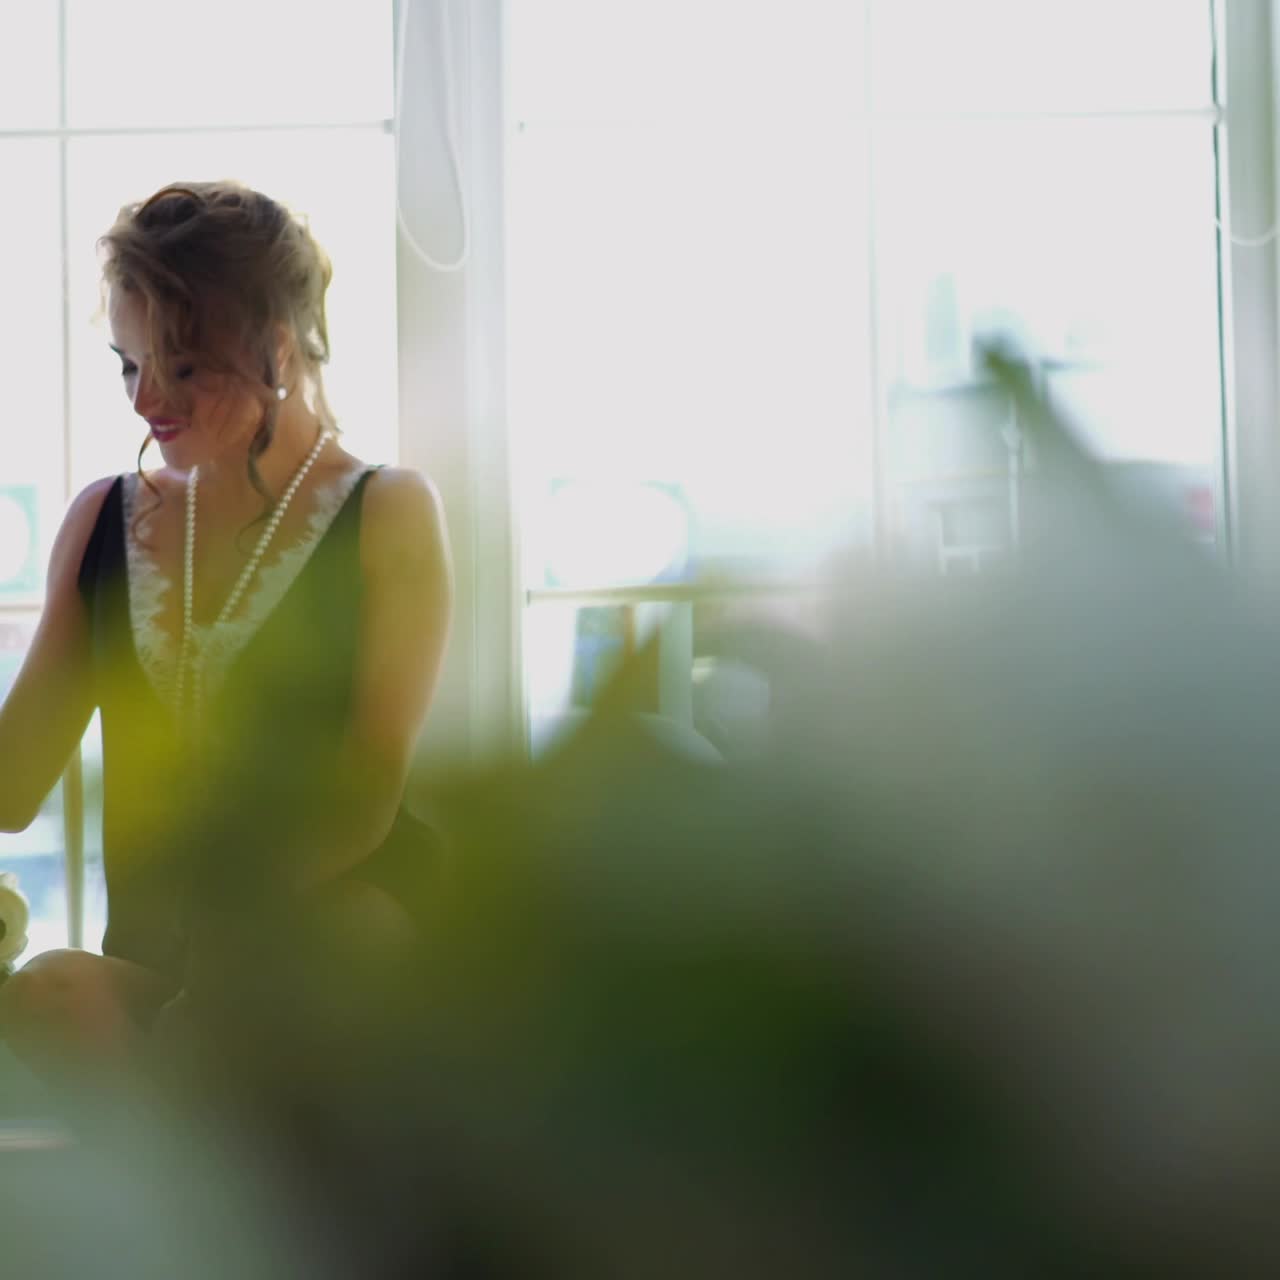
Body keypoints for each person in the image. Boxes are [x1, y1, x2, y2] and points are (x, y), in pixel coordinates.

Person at [0, 181, 453, 1081]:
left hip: (330, 944)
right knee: (44, 995)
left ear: (275, 349)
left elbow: (363, 801)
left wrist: (233, 942)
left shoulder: (389, 512)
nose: (145, 401)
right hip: (159, 964)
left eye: (182, 368)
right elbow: (12, 786)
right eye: (128, 365)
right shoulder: (101, 522)